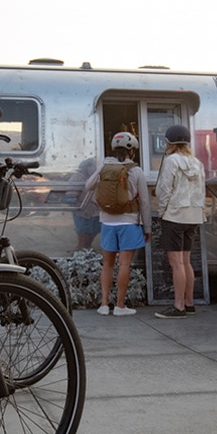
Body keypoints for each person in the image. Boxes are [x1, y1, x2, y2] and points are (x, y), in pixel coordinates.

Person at [85, 131, 151, 316]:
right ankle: (120, 306)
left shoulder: (104, 166)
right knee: (124, 265)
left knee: (107, 264)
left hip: (107, 221)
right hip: (129, 222)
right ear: (133, 151)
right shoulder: (136, 171)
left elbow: (88, 186)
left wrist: (101, 174)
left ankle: (104, 305)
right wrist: (147, 227)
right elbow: (145, 202)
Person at [153, 124, 206, 319]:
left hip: (175, 216)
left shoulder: (171, 161)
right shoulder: (197, 163)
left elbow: (165, 189)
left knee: (176, 264)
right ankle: (189, 303)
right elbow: (201, 190)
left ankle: (178, 306)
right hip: (193, 216)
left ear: (169, 142)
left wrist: (161, 210)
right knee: (186, 261)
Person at [71, 158, 101, 250]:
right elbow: (71, 196)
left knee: (89, 237)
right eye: (94, 167)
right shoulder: (78, 177)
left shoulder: (93, 177)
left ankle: (86, 251)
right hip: (83, 213)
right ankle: (79, 254)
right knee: (83, 238)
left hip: (94, 213)